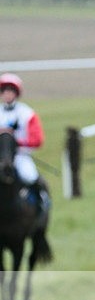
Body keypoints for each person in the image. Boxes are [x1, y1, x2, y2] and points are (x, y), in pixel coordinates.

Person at [0, 73, 48, 213]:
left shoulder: (27, 113)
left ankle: (40, 204)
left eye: (10, 91)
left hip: (20, 155)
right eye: (4, 91)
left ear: (16, 93)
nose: (7, 94)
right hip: (1, 156)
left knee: (30, 175)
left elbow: (37, 140)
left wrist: (17, 143)